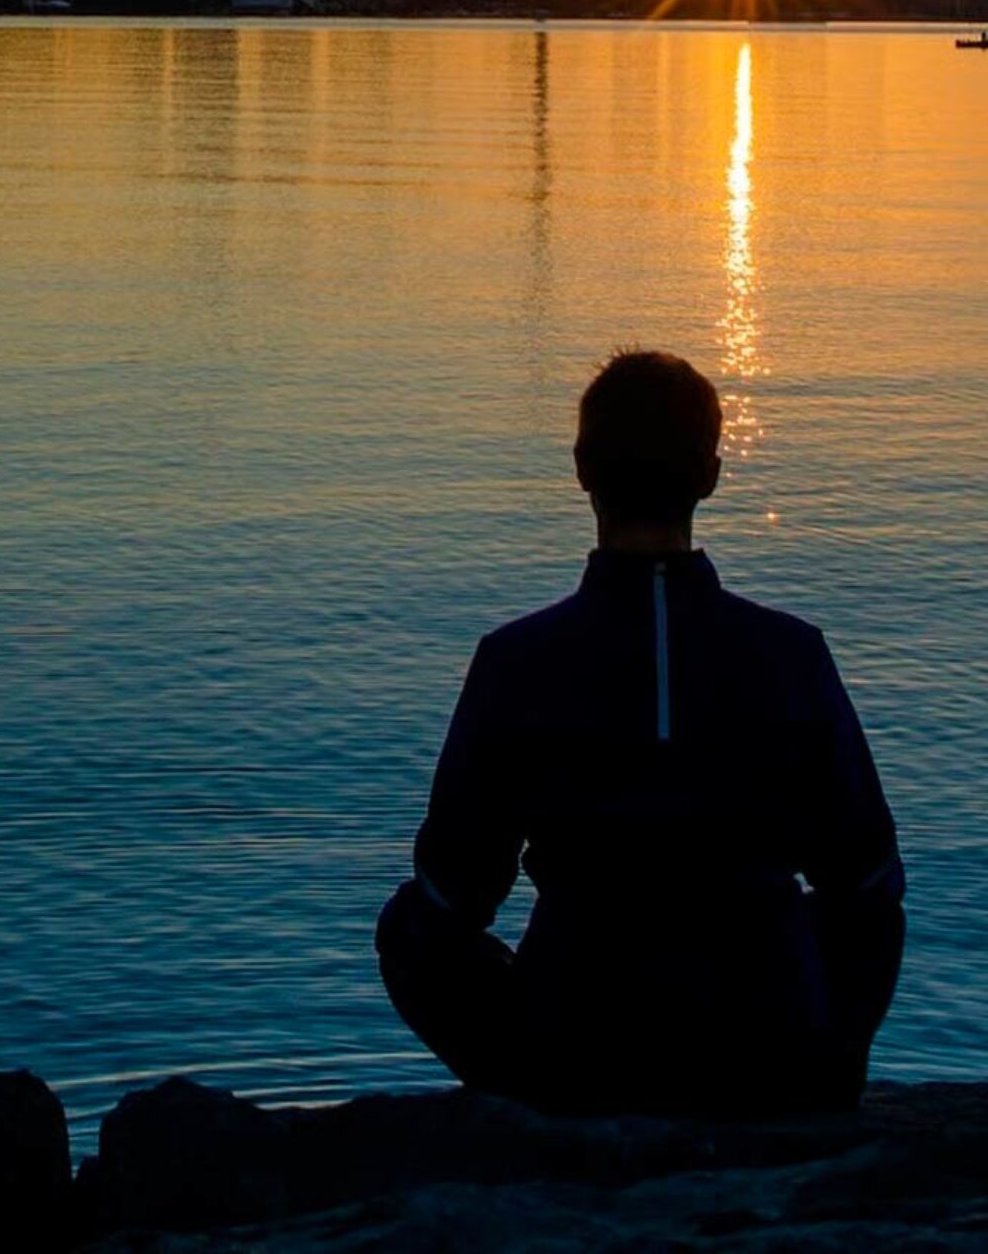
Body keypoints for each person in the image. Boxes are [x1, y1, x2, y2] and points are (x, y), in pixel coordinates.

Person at [376, 350, 904, 1117]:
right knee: (865, 903)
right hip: (765, 1037)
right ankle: (814, 1086)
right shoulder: (791, 654)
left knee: (411, 931)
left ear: (582, 469)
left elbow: (452, 893)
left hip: (576, 1040)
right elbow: (868, 880)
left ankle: (524, 1100)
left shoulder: (517, 661)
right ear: (711, 475)